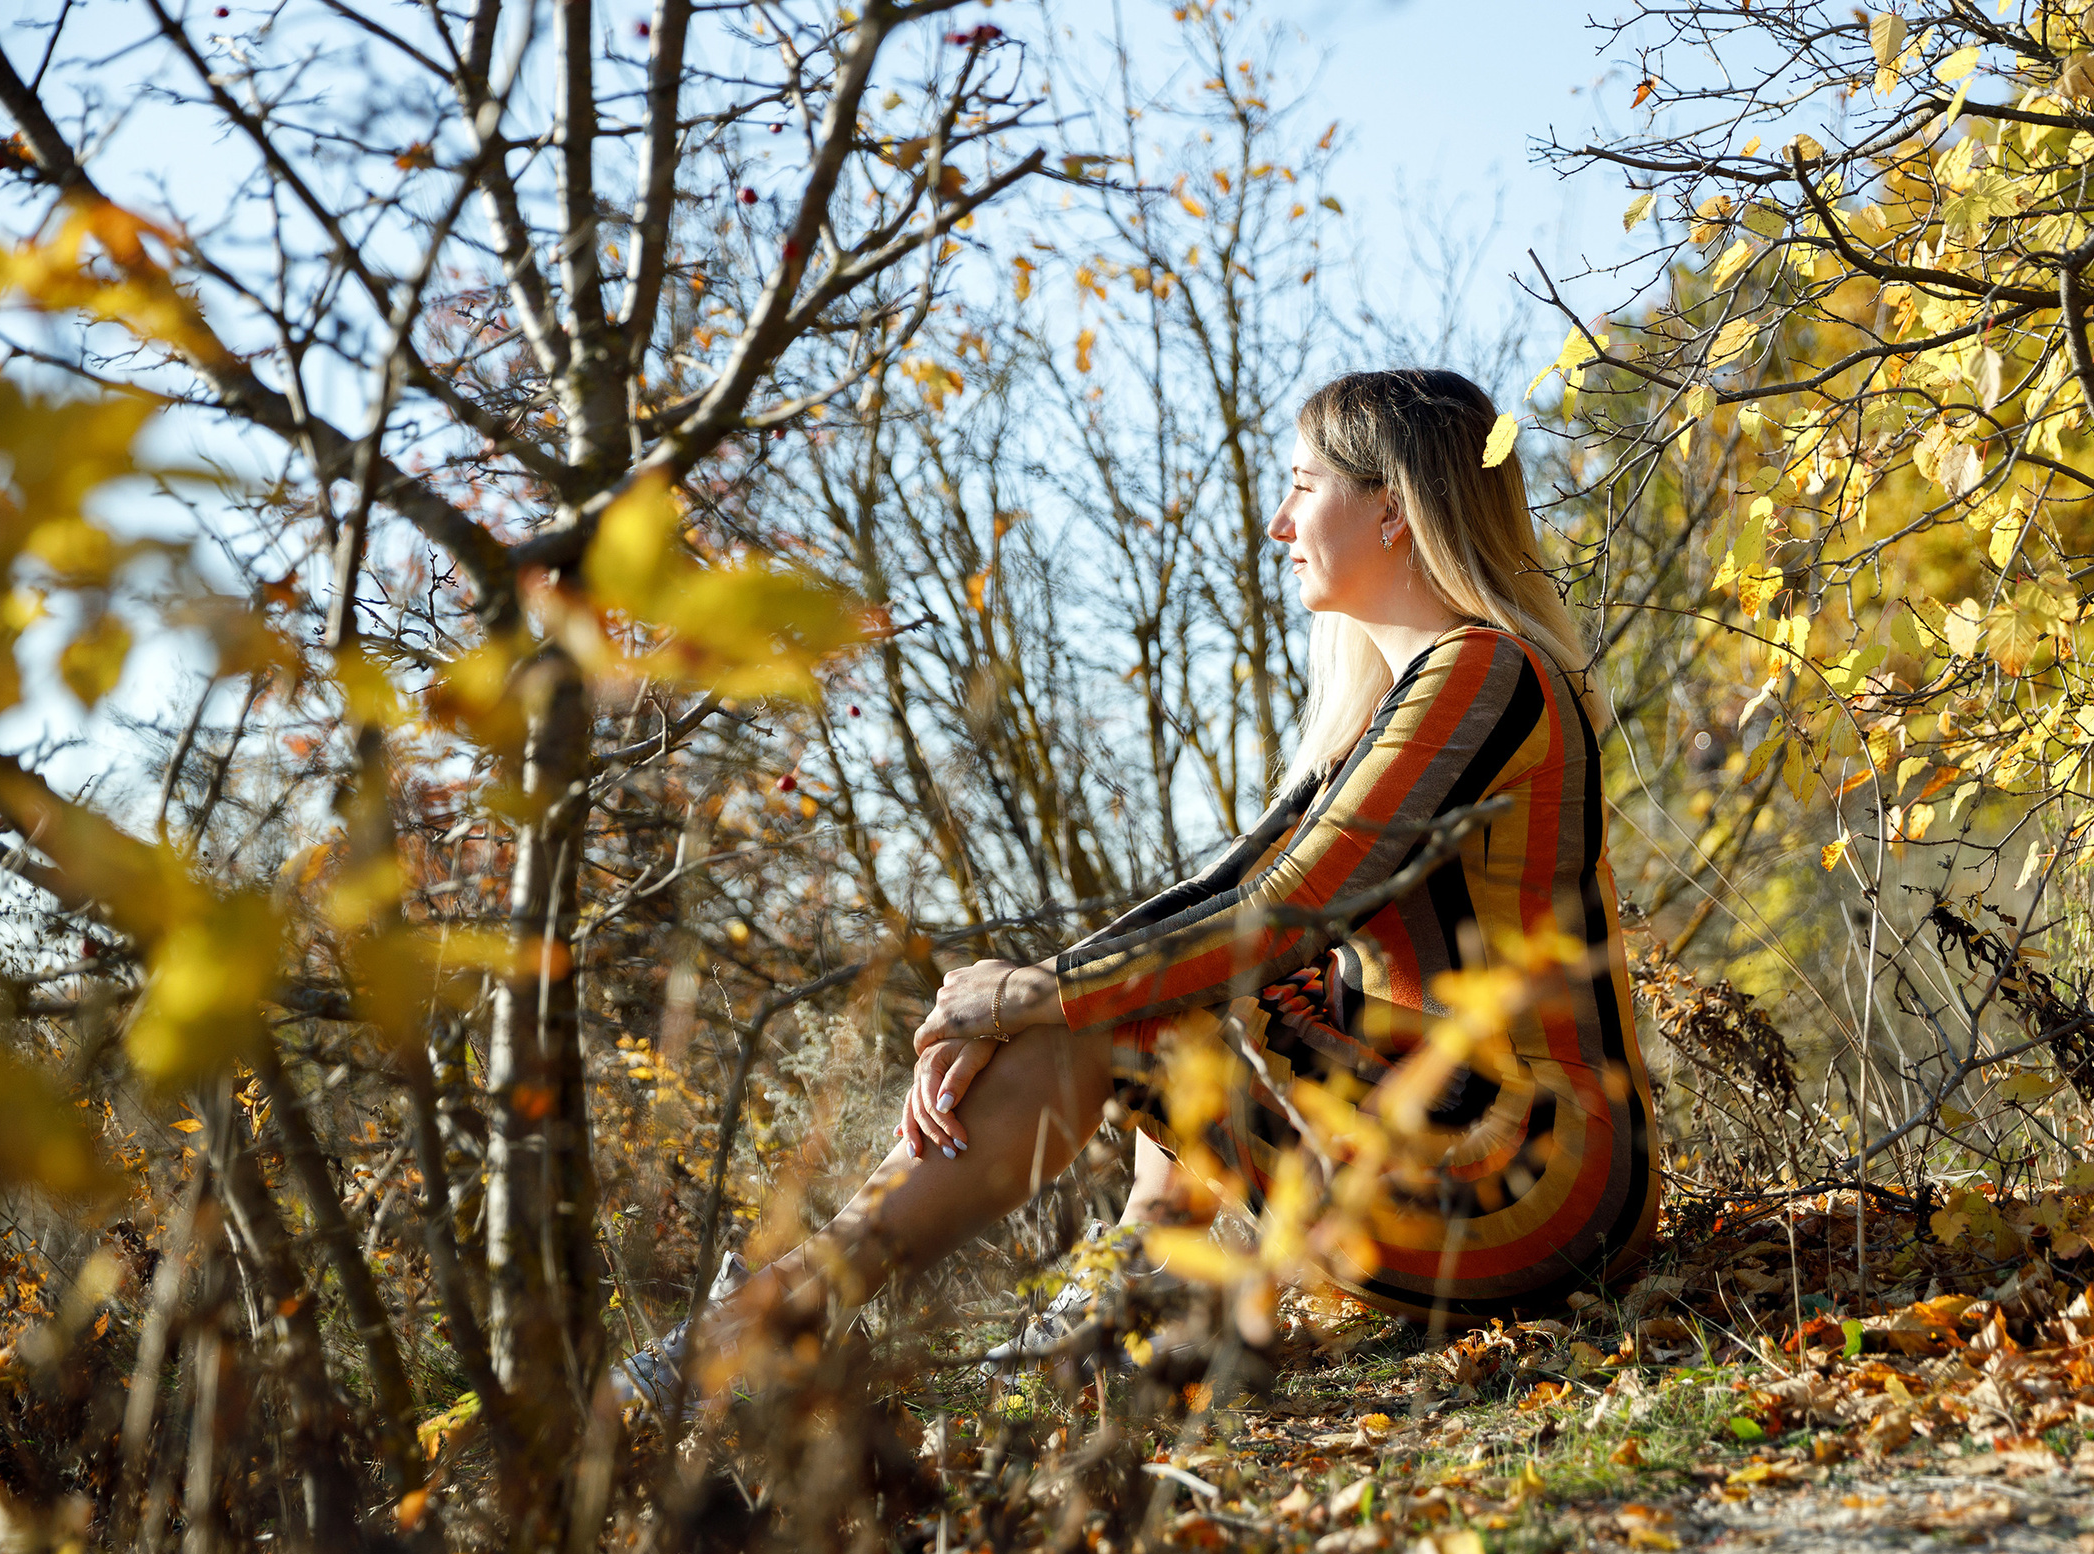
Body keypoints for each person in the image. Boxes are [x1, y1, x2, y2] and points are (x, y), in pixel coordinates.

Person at [615, 369, 1660, 1406]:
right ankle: (1109, 1299)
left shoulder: (1484, 672)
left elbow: (1284, 913)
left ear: (1390, 510)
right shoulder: (1405, 702)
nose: (1276, 521)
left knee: (1131, 1010)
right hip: (1472, 1153)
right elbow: (1219, 894)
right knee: (1147, 999)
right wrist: (1031, 994)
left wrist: (1042, 999)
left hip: (1527, 1175)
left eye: (1301, 485)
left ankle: (778, 1313)